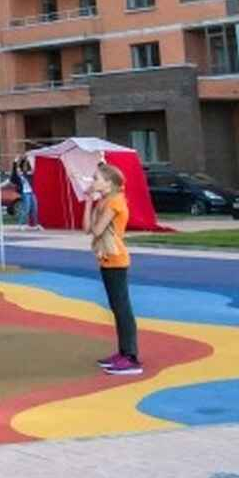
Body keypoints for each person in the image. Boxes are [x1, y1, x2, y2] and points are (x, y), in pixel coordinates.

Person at [87, 158, 140, 376]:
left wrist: (94, 203)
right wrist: (91, 202)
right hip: (107, 259)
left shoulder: (114, 202)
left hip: (116, 259)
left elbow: (97, 230)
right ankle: (123, 352)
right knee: (117, 307)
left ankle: (131, 357)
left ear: (108, 183)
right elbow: (89, 228)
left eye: (96, 179)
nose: (93, 182)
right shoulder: (107, 201)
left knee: (122, 307)